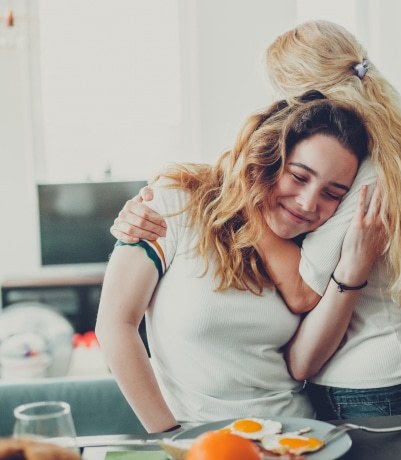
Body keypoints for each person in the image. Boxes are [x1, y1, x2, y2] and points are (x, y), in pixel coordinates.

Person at [111, 20, 401, 420]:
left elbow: (301, 293)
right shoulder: (382, 153)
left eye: (284, 96)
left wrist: (237, 187)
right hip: (367, 379)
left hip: (369, 387)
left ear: (307, 94)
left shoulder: (365, 172)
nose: (281, 112)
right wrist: (177, 195)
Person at [95, 94, 383, 433]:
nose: (308, 203)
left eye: (331, 194)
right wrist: (167, 436)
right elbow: (115, 326)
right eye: (299, 176)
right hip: (198, 441)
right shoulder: (175, 203)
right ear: (267, 158)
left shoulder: (312, 252)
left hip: (295, 437)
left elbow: (304, 364)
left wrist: (354, 267)